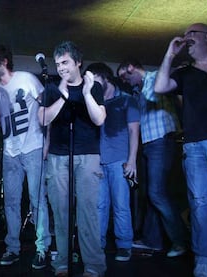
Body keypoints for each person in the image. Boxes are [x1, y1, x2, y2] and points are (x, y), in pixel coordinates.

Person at [38, 41, 106, 277]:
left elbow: (99, 119)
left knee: (87, 212)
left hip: (87, 156)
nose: (61, 68)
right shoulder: (52, 89)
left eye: (65, 62)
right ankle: (62, 264)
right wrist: (63, 96)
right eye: (58, 64)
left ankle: (93, 266)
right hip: (58, 156)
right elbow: (43, 119)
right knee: (60, 211)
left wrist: (86, 94)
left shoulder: (94, 86)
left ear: (78, 62)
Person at [154, 23, 207, 277]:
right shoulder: (184, 73)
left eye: (193, 34)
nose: (187, 38)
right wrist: (170, 54)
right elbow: (159, 87)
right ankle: (204, 258)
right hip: (195, 147)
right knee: (200, 204)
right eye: (186, 34)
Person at [0, 45, 51, 269]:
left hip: (32, 147)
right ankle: (12, 248)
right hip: (10, 152)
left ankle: (42, 249)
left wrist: (47, 143)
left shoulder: (26, 78)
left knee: (37, 200)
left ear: (3, 62)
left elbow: (46, 109)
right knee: (11, 202)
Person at [117, 59, 189, 257]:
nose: (125, 81)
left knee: (157, 193)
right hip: (150, 143)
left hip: (161, 140)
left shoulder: (156, 76)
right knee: (151, 193)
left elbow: (154, 95)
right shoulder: (137, 90)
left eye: (124, 76)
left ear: (131, 67)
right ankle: (153, 240)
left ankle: (180, 241)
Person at [86, 62, 140, 262]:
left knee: (121, 205)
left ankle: (124, 245)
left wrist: (132, 160)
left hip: (120, 161)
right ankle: (97, 245)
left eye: (95, 81)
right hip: (99, 161)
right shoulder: (95, 102)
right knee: (99, 205)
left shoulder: (126, 100)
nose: (92, 85)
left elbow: (134, 131)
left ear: (105, 78)